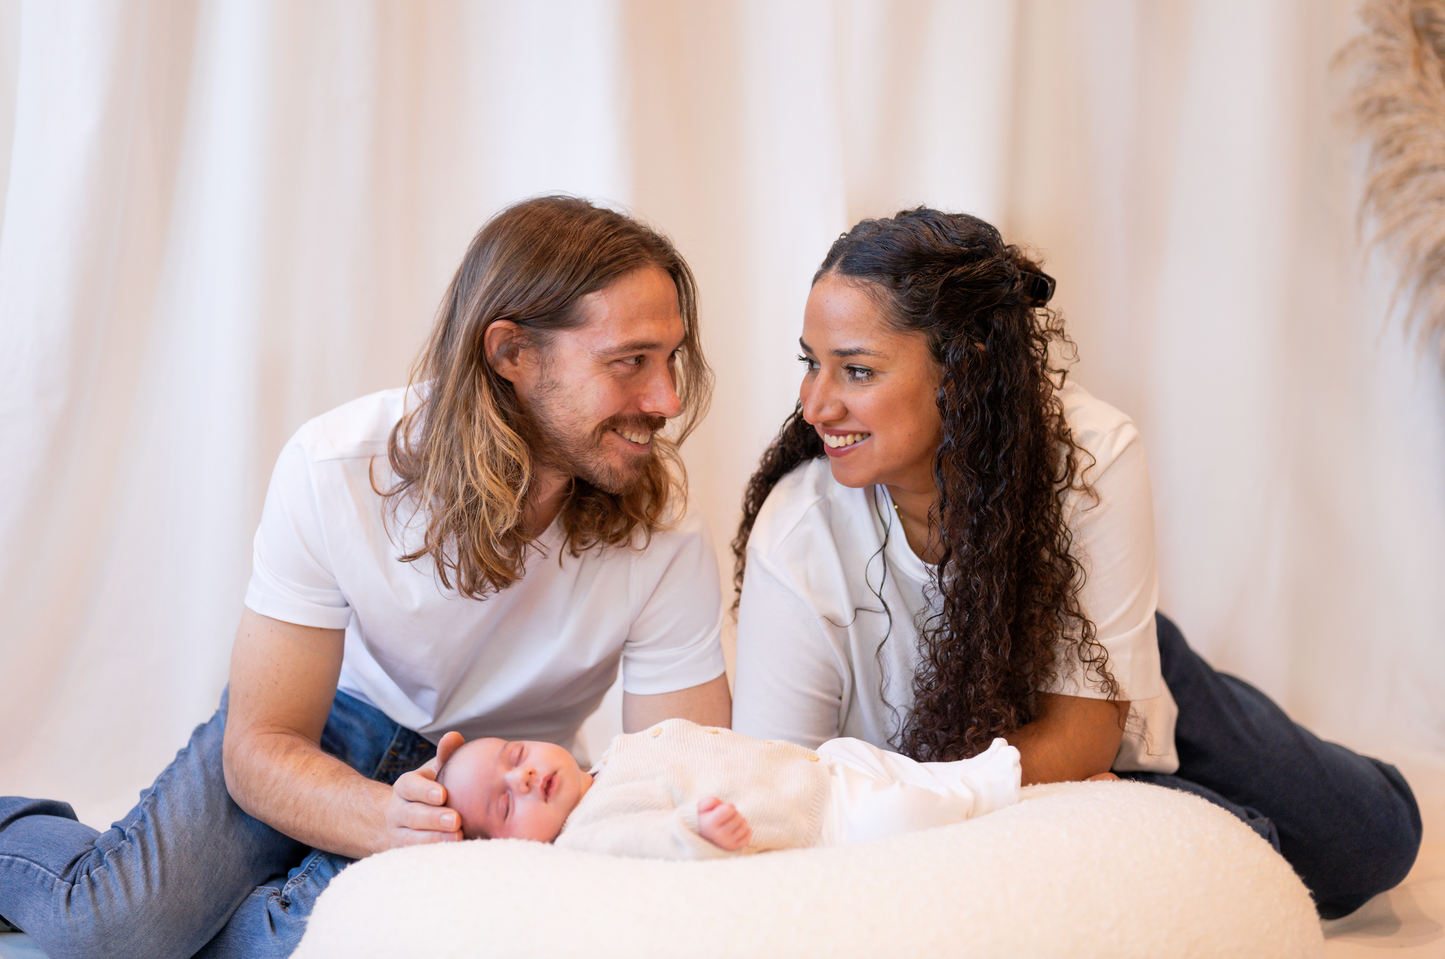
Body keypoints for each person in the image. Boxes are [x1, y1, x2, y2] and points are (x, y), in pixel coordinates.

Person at [0, 196, 731, 959]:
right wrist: (384, 819)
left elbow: (675, 770)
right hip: (327, 733)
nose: (667, 400)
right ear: (511, 352)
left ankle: (219, 905)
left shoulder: (664, 526)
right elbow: (263, 743)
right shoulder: (336, 468)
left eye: (671, 358)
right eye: (629, 362)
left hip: (496, 794)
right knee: (117, 928)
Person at [730, 207, 1423, 920]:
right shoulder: (798, 532)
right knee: (1242, 861)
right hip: (988, 779)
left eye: (855, 369)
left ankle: (1157, 674)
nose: (814, 404)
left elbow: (1083, 731)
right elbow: (786, 791)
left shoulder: (1089, 454)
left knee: (1370, 840)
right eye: (809, 363)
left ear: (960, 373)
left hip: (1086, 679)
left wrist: (931, 798)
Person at [435, 718, 1021, 858]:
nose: (525, 776)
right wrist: (692, 830)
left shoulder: (613, 755)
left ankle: (964, 772)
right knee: (899, 811)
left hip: (815, 771)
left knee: (864, 755)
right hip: (818, 824)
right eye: (505, 802)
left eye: (515, 757)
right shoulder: (586, 832)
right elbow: (645, 839)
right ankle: (984, 799)